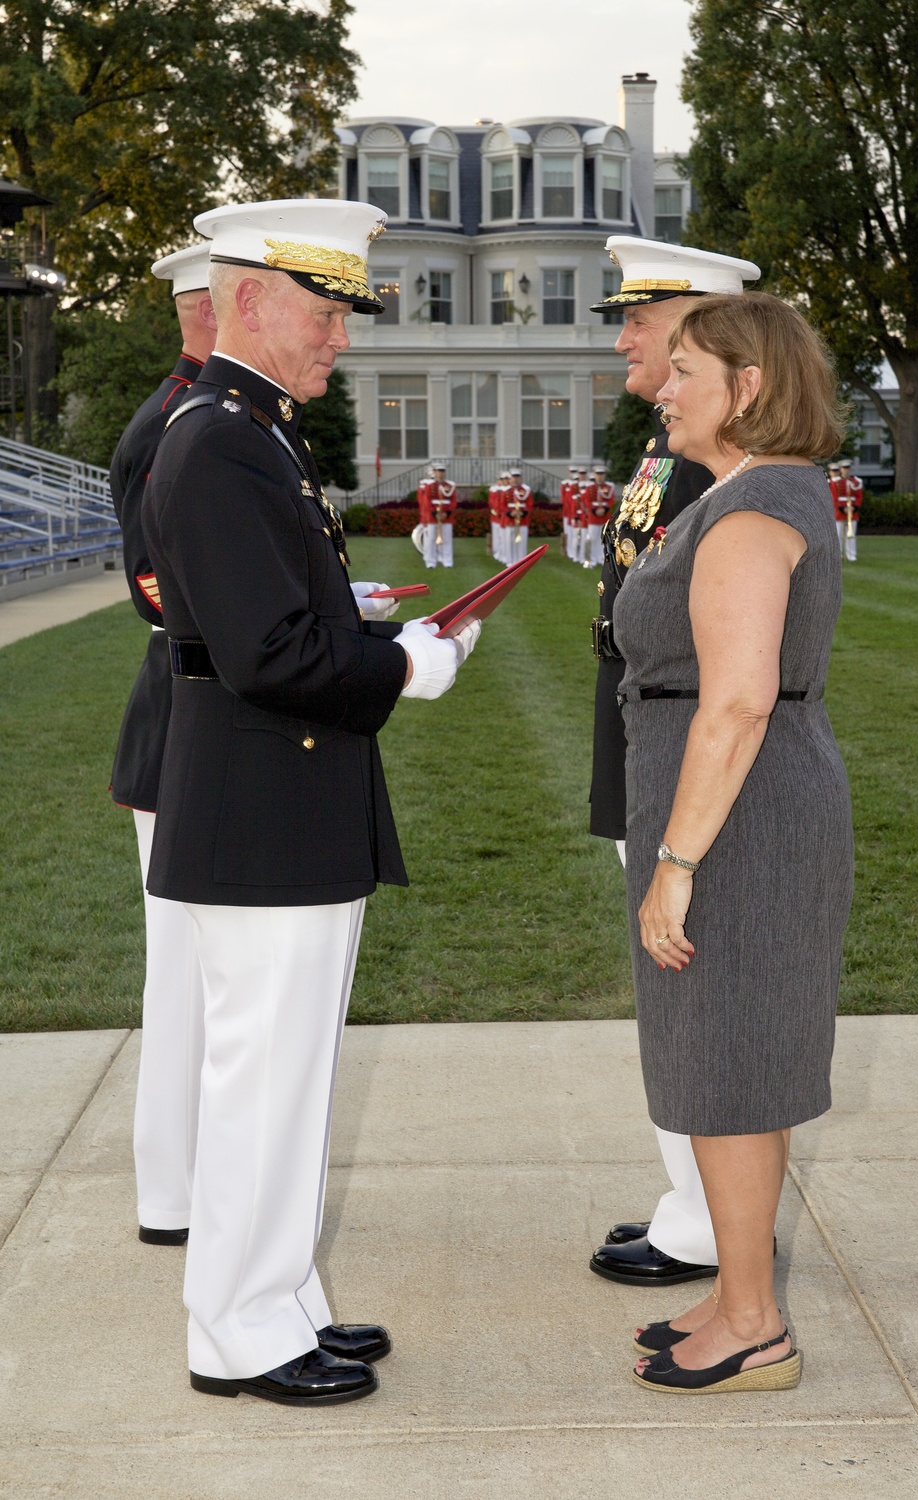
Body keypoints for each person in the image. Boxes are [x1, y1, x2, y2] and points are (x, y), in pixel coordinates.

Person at [141, 197, 478, 1407]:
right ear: (246, 300)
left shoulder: (254, 434)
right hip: (258, 804)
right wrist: (405, 667)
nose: (340, 334)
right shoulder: (220, 440)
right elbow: (268, 654)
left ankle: (278, 1299)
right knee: (261, 1081)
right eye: (324, 308)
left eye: (345, 311)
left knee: (290, 1081)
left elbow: (278, 622)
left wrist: (377, 631)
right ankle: (234, 1327)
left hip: (280, 798)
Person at [615, 291, 851, 1393]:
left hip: (738, 820)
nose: (665, 387)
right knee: (726, 1055)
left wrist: (675, 863)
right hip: (735, 807)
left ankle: (755, 1324)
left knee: (732, 1062)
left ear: (746, 389)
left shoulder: (755, 509)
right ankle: (733, 1292)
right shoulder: (743, 494)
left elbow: (739, 700)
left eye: (687, 372)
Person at [586, 238, 760, 1291]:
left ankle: (706, 1222)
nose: (624, 340)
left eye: (641, 323)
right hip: (640, 731)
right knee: (675, 990)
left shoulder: (717, 457)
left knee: (696, 985)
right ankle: (689, 1205)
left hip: (683, 741)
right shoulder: (672, 448)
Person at [108, 244, 215, 1249]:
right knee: (182, 976)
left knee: (194, 974)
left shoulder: (204, 412)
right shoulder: (174, 423)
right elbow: (159, 586)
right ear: (212, 309)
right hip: (184, 716)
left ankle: (183, 1189)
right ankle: (172, 1194)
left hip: (193, 710)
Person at [419, 460, 456, 567]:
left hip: (446, 515)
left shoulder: (450, 485)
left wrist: (447, 513)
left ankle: (447, 561)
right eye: (438, 471)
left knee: (447, 538)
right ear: (434, 472)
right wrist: (434, 513)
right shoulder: (429, 486)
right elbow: (426, 501)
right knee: (431, 539)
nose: (441, 473)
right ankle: (431, 562)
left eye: (442, 471)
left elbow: (453, 501)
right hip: (432, 515)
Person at [507, 466, 533, 562]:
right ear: (510, 478)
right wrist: (510, 513)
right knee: (510, 542)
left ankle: (521, 562)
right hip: (510, 519)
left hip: (523, 519)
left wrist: (523, 512)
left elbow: (529, 504)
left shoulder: (526, 490)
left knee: (522, 542)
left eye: (517, 477)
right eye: (514, 477)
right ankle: (511, 562)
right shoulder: (507, 490)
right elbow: (502, 505)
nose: (515, 479)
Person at [840, 459, 862, 561]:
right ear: (841, 470)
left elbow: (859, 496)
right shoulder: (836, 482)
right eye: (844, 468)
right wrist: (842, 508)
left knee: (851, 534)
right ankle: (839, 555)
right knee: (838, 535)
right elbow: (834, 497)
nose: (846, 470)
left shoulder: (856, 482)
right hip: (839, 512)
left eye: (848, 468)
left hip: (852, 511)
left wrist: (854, 507)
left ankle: (851, 555)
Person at [494, 469, 513, 565]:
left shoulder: (510, 490)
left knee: (507, 539)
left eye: (506, 478)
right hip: (501, 517)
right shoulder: (500, 490)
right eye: (503, 479)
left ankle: (507, 557)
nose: (504, 481)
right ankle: (503, 555)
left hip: (507, 517)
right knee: (501, 538)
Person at [560, 465, 579, 557]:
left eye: (575, 471)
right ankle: (567, 550)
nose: (573, 473)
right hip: (568, 512)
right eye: (571, 472)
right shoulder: (565, 483)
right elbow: (564, 499)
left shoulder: (579, 484)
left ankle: (575, 551)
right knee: (568, 533)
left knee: (575, 533)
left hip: (576, 512)